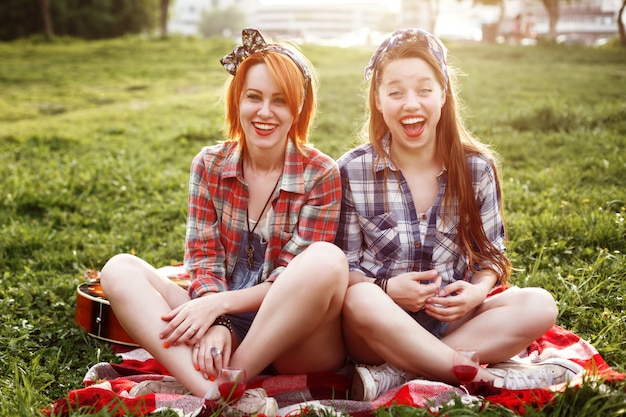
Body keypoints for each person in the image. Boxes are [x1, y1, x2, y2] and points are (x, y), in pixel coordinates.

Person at [100, 28, 348, 416]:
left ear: (299, 109)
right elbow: (203, 259)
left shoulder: (321, 174)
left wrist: (220, 315)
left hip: (291, 337)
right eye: (254, 97)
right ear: (238, 100)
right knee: (120, 269)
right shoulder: (210, 164)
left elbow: (289, 279)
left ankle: (230, 375)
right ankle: (219, 396)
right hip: (217, 314)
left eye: (280, 101)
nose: (264, 112)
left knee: (327, 259)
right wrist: (216, 316)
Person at [334, 28, 583, 401]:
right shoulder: (351, 170)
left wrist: (476, 292)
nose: (410, 103)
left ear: (444, 93)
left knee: (540, 304)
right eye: (396, 92)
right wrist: (387, 289)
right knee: (360, 299)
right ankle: (480, 376)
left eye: (424, 89)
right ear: (379, 100)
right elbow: (344, 270)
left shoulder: (476, 168)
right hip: (377, 328)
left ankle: (401, 373)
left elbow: (491, 257)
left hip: (452, 323)